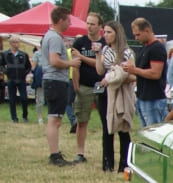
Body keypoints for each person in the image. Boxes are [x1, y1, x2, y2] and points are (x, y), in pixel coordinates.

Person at [68, 11, 105, 165]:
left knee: (106, 120)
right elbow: (76, 65)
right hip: (84, 85)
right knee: (82, 120)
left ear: (100, 26)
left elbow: (102, 64)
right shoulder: (79, 43)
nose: (89, 26)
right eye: (87, 23)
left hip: (101, 84)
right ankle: (80, 153)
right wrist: (75, 85)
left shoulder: (105, 43)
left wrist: (83, 58)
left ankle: (106, 152)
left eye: (92, 24)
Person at [99, 20, 136, 173]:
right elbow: (100, 71)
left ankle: (124, 164)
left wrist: (114, 79)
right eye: (105, 32)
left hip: (122, 92)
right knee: (107, 127)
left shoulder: (127, 52)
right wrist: (97, 55)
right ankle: (107, 163)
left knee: (123, 127)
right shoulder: (105, 51)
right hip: (107, 93)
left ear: (117, 33)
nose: (106, 35)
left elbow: (133, 75)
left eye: (109, 32)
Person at [41, 6, 75, 166]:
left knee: (55, 119)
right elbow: (54, 61)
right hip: (55, 81)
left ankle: (54, 153)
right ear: (60, 20)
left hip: (53, 81)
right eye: (68, 20)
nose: (69, 23)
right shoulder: (54, 38)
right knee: (54, 120)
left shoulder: (50, 36)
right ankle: (54, 155)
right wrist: (71, 63)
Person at [122, 18, 167, 128]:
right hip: (142, 96)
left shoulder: (157, 48)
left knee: (155, 133)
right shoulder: (144, 48)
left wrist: (134, 70)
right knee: (146, 133)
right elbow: (141, 72)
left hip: (153, 99)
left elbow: (155, 73)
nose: (136, 38)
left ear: (147, 31)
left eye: (138, 35)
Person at [0, 38, 32, 123]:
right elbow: (1, 65)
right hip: (11, 79)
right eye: (15, 42)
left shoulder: (24, 54)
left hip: (21, 79)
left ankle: (25, 116)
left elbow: (28, 66)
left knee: (24, 98)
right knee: (12, 99)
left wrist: (24, 73)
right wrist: (6, 72)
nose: (17, 44)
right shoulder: (6, 54)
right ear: (11, 43)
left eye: (18, 42)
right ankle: (14, 117)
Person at [31, 49, 45, 124]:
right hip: (40, 78)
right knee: (40, 99)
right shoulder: (37, 53)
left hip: (51, 77)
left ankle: (52, 117)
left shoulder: (53, 52)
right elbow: (33, 66)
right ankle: (40, 118)